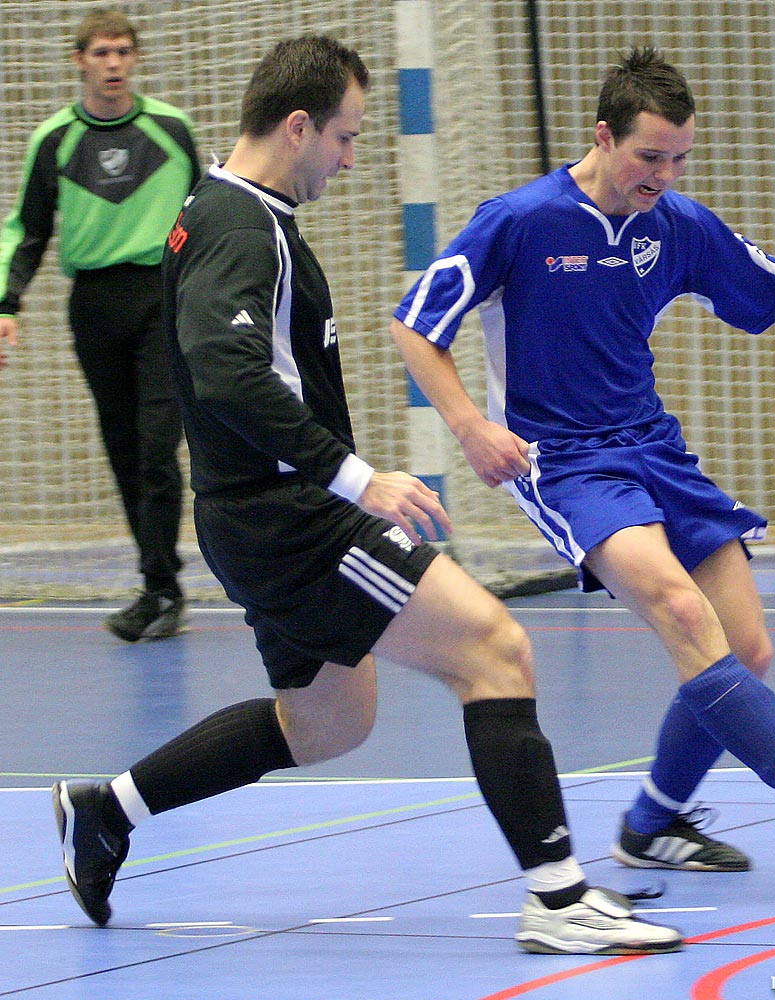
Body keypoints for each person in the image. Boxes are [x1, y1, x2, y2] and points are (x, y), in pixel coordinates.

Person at [50, 35, 683, 958]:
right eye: (345, 138)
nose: (348, 159)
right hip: (294, 518)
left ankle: (109, 809)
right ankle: (559, 900)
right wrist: (356, 477)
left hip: (250, 516)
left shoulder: (222, 211)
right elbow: (223, 371)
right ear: (298, 126)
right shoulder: (239, 224)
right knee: (496, 649)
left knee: (328, 722)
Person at [390, 47, 775, 875]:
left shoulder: (676, 226)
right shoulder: (521, 220)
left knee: (747, 648)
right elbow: (416, 322)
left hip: (652, 448)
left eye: (678, 159)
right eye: (648, 156)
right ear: (603, 136)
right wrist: (467, 427)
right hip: (564, 463)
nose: (662, 175)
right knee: (679, 608)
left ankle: (649, 825)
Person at [0, 10, 200, 641]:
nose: (113, 63)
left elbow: (212, 207)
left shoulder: (172, 128)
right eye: (101, 53)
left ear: (135, 60)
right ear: (79, 60)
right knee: (122, 452)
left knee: (155, 447)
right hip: (93, 306)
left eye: (123, 52)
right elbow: (27, 231)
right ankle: (156, 586)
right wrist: (7, 303)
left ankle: (165, 589)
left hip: (160, 298)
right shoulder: (54, 140)